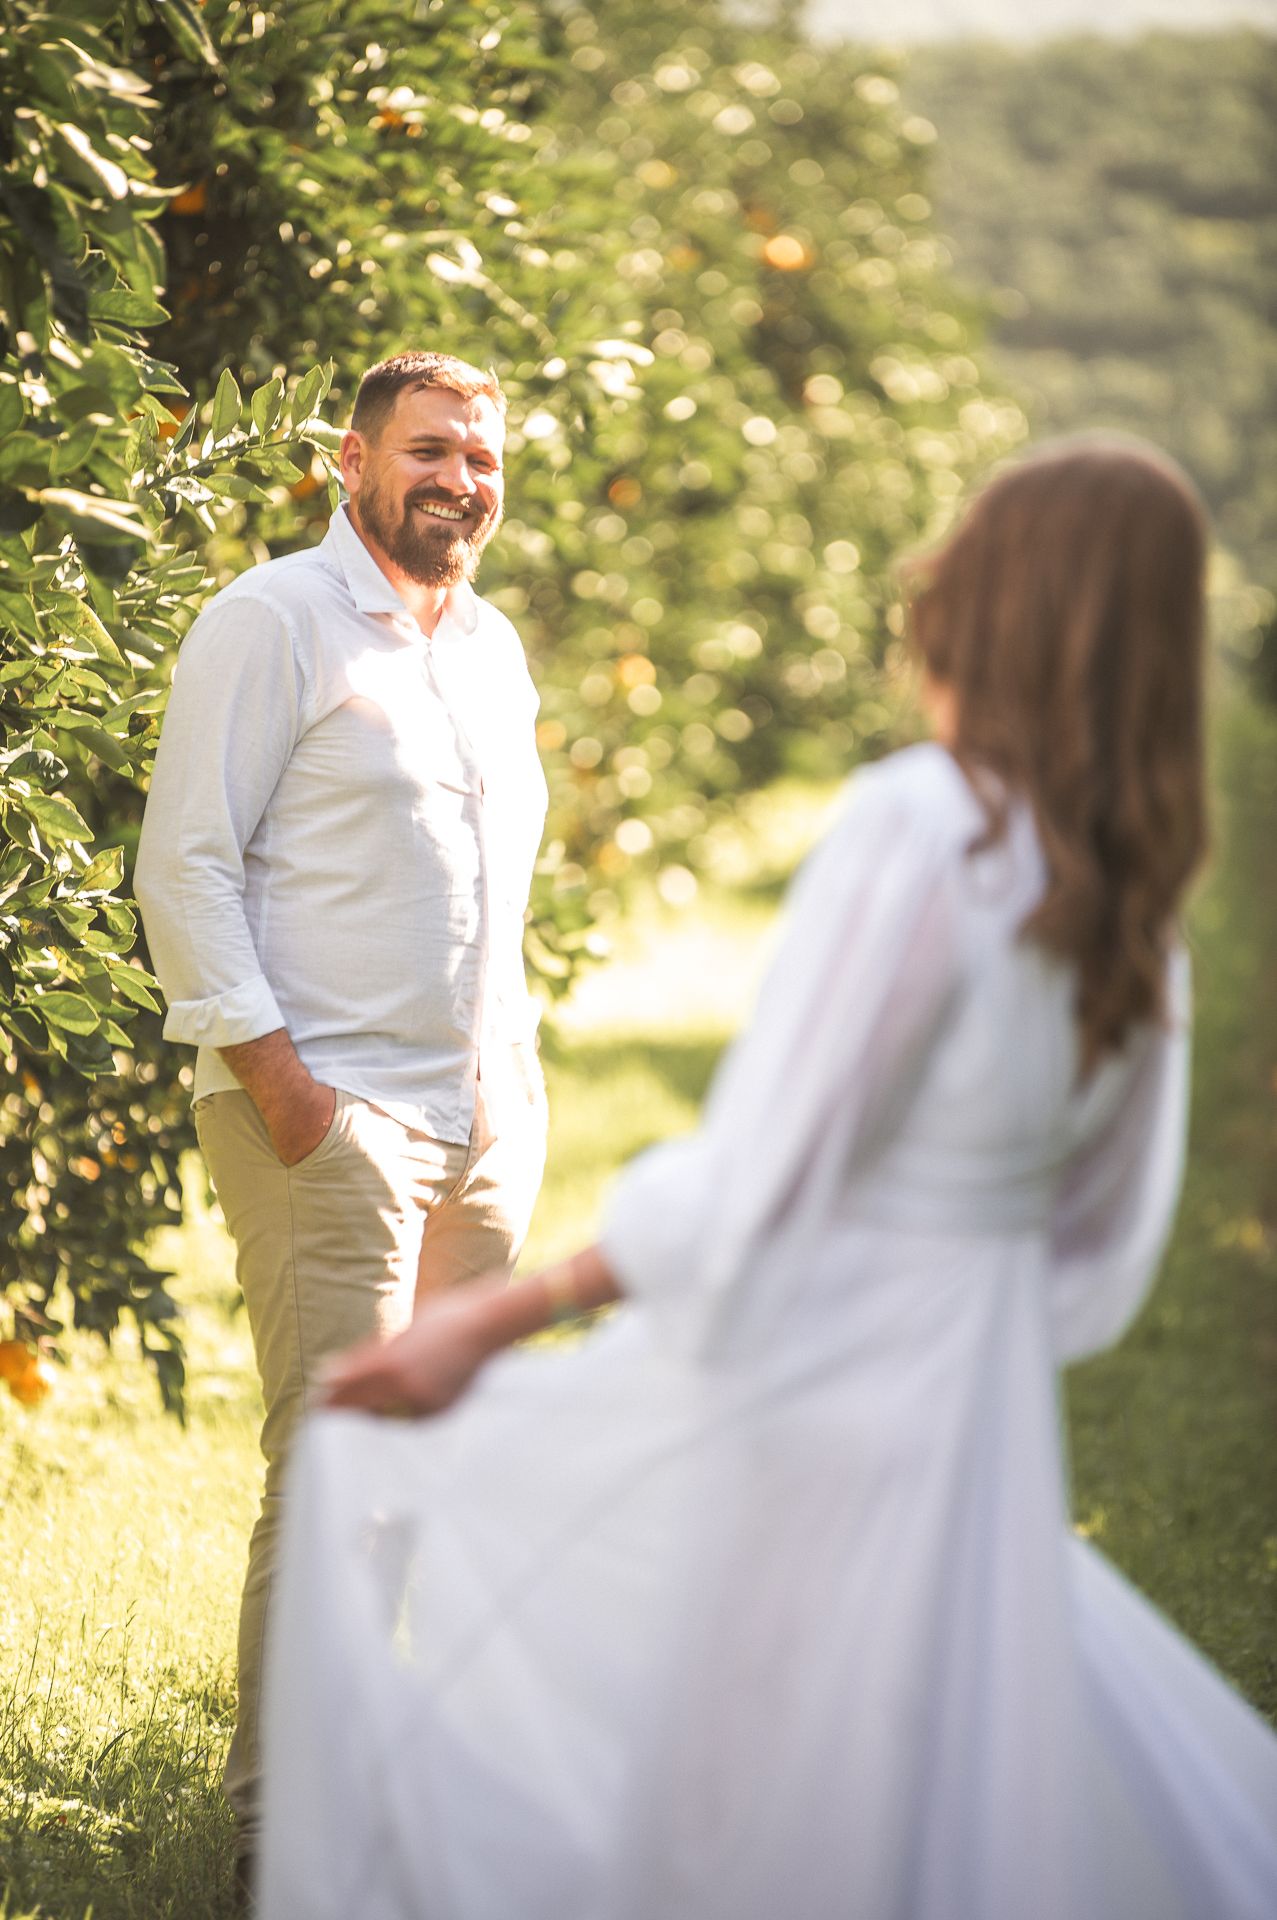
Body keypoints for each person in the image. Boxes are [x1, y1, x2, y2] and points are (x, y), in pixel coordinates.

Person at [258, 437, 1277, 1920]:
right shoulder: (1130, 906)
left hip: (817, 1383)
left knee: (742, 1789)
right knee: (925, 1769)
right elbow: (1095, 1254)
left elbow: (760, 1174)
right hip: (977, 1399)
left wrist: (494, 1316)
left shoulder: (924, 828)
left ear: (1000, 599)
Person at [133, 352, 549, 1873]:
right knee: (337, 1478)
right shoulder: (272, 621)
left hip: (481, 1130)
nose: (460, 479)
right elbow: (183, 867)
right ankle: (283, 1846)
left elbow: (496, 898)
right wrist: (292, 1092)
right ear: (352, 463)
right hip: (331, 1121)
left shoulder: (492, 643)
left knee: (427, 1475)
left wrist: (514, 1086)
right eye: (429, 450)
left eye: (482, 457)